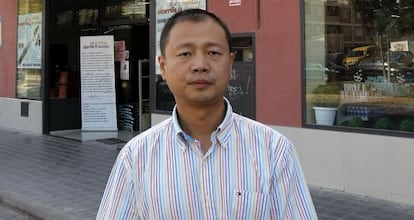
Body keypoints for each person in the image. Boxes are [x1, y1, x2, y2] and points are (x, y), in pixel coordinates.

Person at [97, 9, 317, 219]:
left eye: (213, 53)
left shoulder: (274, 150)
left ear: (231, 64)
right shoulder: (135, 158)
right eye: (185, 53)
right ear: (163, 67)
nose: (200, 65)